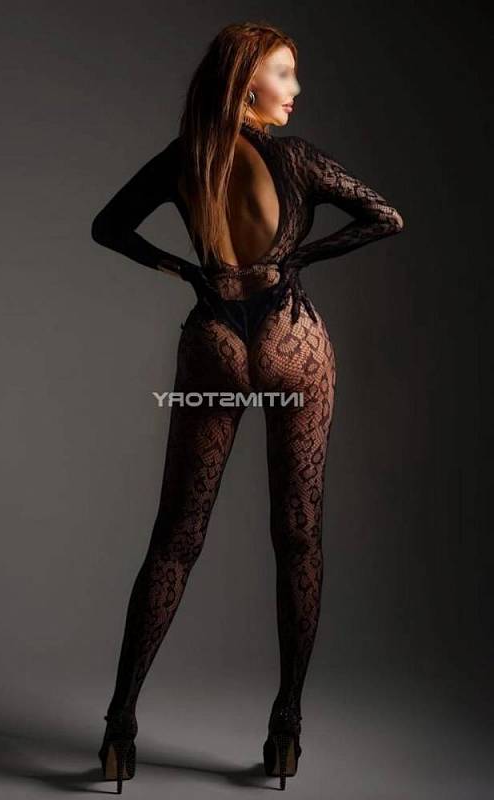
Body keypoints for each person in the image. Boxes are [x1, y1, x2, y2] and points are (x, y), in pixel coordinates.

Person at [91, 21, 404, 793]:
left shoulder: (186, 158)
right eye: (284, 73)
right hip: (292, 338)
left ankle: (120, 727)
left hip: (216, 342)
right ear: (246, 80)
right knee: (298, 536)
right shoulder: (296, 159)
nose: (295, 89)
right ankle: (286, 725)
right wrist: (300, 256)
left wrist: (186, 272)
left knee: (176, 538)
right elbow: (384, 217)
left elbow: (108, 227)